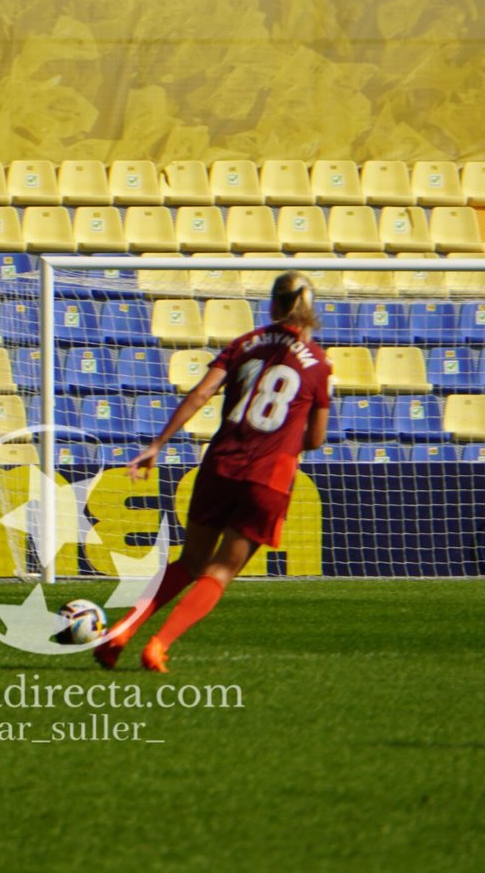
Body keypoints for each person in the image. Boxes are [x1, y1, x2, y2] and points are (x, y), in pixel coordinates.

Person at [97, 271, 331, 673]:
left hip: (221, 464)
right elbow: (316, 439)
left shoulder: (244, 344)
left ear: (273, 304)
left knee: (189, 561)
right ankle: (158, 645)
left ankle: (122, 629)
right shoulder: (319, 364)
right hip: (268, 477)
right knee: (221, 569)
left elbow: (202, 393)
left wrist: (157, 445)